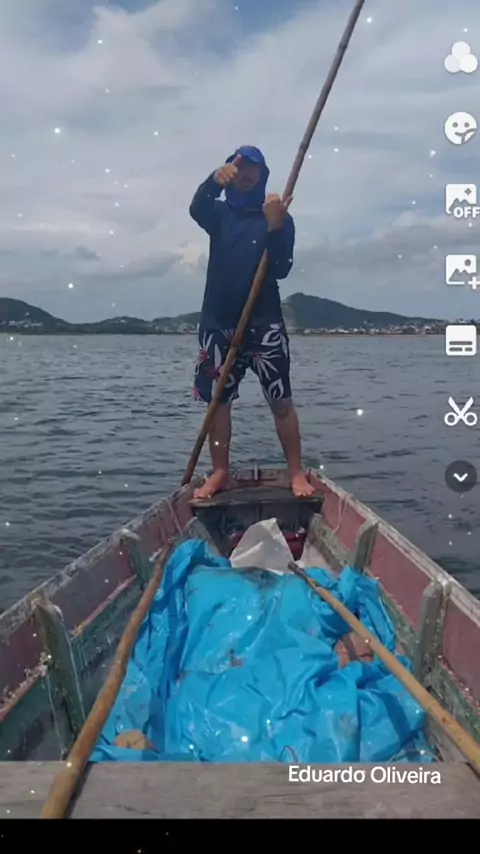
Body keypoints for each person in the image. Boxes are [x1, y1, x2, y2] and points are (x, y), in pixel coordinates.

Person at [189, 145, 315, 500]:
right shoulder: (218, 213)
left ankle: (296, 473)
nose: (245, 172)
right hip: (218, 323)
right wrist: (212, 181)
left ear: (262, 175)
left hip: (264, 323)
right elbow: (196, 208)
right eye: (239, 166)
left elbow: (281, 268)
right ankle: (221, 472)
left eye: (253, 167)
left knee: (280, 400)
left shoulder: (279, 217)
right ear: (231, 172)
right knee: (218, 404)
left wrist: (274, 227)